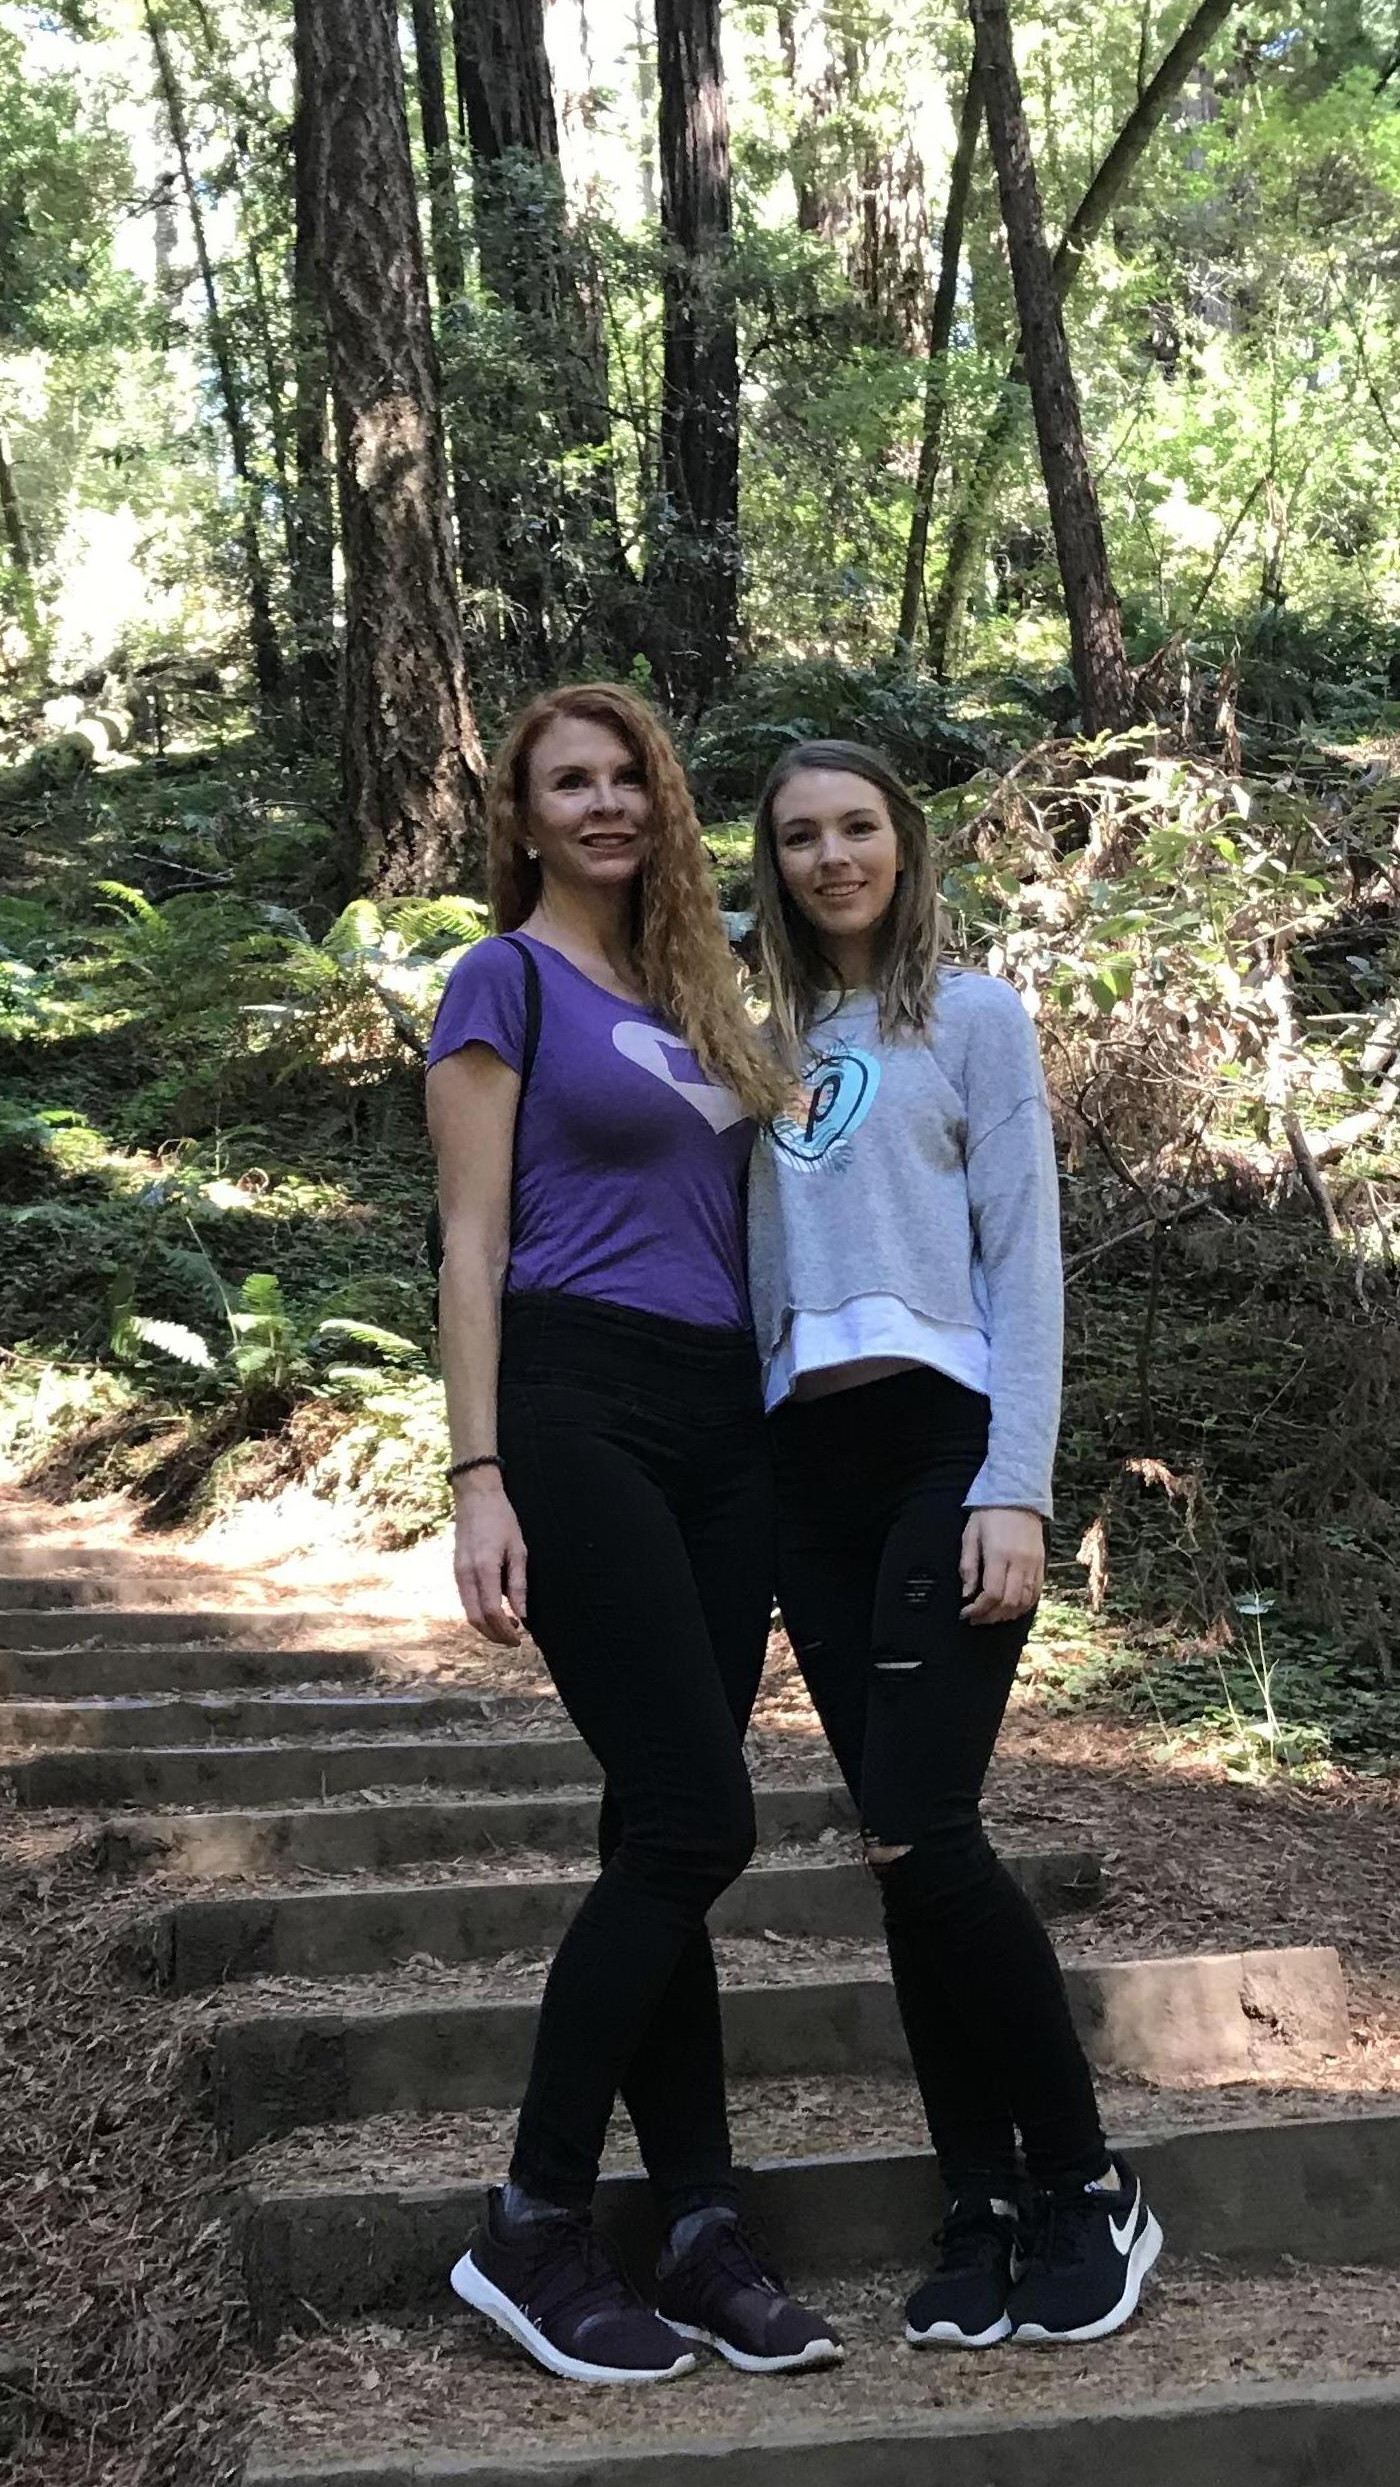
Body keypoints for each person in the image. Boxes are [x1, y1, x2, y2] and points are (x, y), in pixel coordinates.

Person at [426, 682, 839, 2387]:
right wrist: (475, 1476)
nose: (602, 805)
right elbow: (463, 1242)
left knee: (655, 1824)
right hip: (575, 1398)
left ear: (661, 804)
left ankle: (688, 2223)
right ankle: (529, 2217)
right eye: (566, 784)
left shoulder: (704, 997)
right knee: (694, 1817)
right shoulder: (500, 980)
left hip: (722, 1422)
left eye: (626, 780)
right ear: (522, 818)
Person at [746, 737, 1160, 2348]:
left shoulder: (973, 1017)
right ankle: (976, 2199)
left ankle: (1087, 2185)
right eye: (799, 835)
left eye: (857, 827)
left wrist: (1016, 1483)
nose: (832, 855)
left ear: (903, 846)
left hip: (940, 1447)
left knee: (923, 1826)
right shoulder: (755, 1033)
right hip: (803, 1467)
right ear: (770, 862)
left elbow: (1025, 1263)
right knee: (893, 1851)